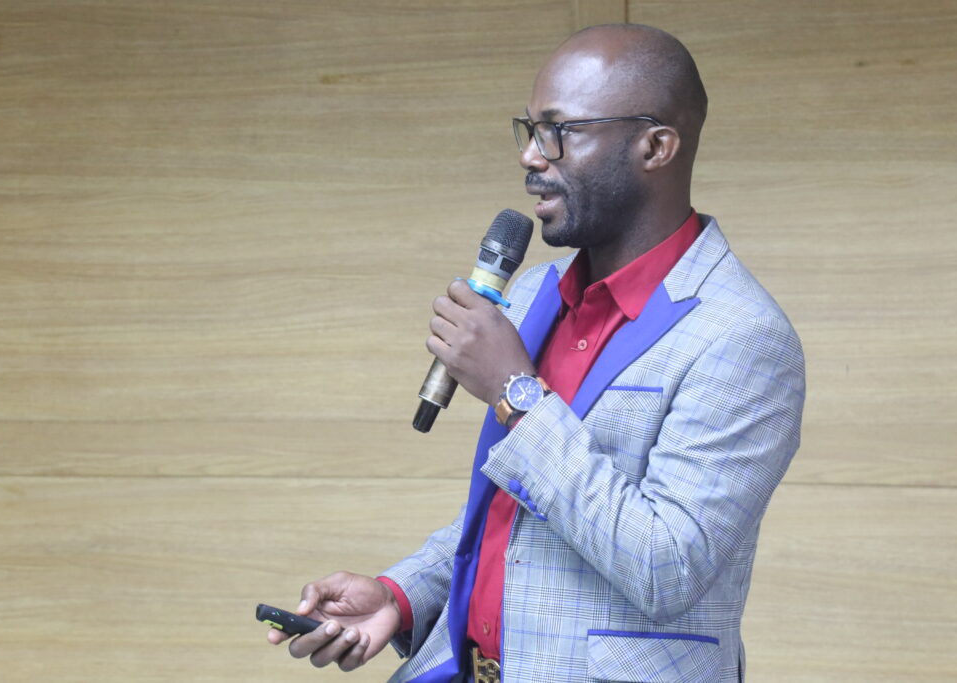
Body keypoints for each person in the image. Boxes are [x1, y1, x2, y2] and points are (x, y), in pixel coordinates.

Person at [267, 23, 805, 682]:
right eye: (529, 129)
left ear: (656, 146)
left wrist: (517, 395)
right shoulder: (532, 294)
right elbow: (519, 522)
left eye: (559, 131)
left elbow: (667, 567)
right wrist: (400, 595)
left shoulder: (741, 335)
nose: (530, 155)